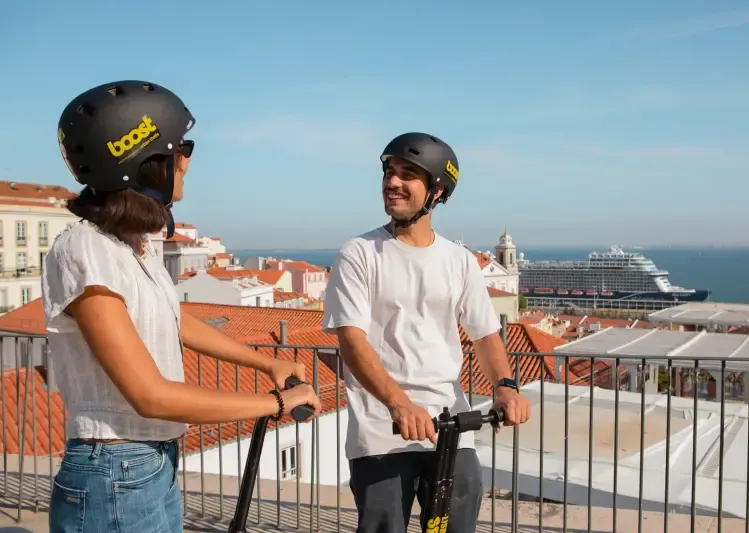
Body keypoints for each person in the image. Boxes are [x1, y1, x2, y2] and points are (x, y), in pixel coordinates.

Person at [44, 80, 322, 533]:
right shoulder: (85, 251)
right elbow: (150, 395)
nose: (188, 161)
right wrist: (274, 403)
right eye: (181, 147)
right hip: (116, 469)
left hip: (149, 465)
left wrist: (263, 362)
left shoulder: (133, 244)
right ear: (143, 162)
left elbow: (176, 320)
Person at [322, 132, 532, 533]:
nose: (392, 182)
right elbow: (351, 339)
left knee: (457, 526)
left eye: (408, 175)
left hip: (451, 425)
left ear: (436, 192)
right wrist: (398, 404)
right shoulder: (359, 253)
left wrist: (505, 387)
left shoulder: (459, 261)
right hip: (381, 429)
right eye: (390, 172)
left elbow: (486, 335)